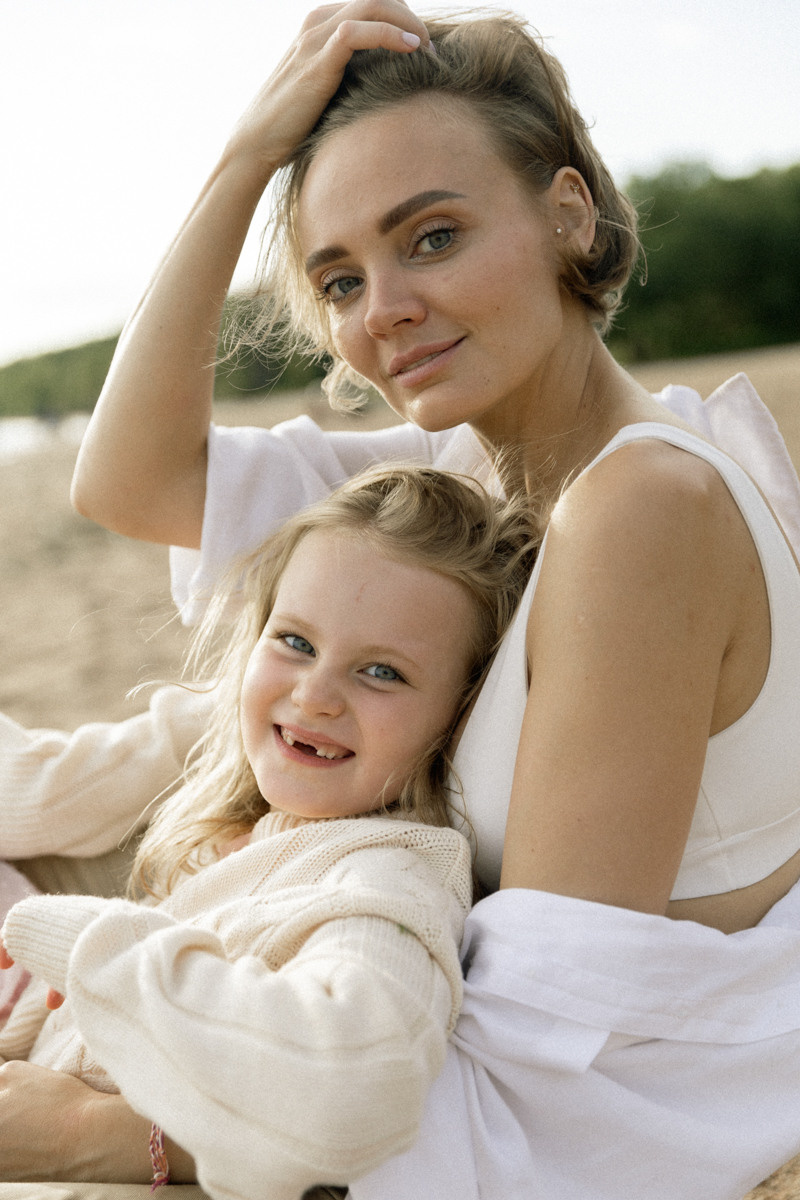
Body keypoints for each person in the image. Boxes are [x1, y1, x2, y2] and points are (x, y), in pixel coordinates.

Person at [3, 3, 800, 1197]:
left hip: (582, 1092)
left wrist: (115, 1137)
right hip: (392, 987)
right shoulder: (471, 471)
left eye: (429, 238)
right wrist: (242, 160)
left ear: (565, 214)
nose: (380, 311)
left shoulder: (642, 508)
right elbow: (131, 480)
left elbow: (537, 1051)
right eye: (338, 277)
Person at [0, 464, 535, 1198]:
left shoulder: (388, 880)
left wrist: (100, 950)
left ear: (461, 714)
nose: (314, 696)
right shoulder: (247, 789)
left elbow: (345, 1092)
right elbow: (42, 778)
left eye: (382, 672)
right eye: (295, 642)